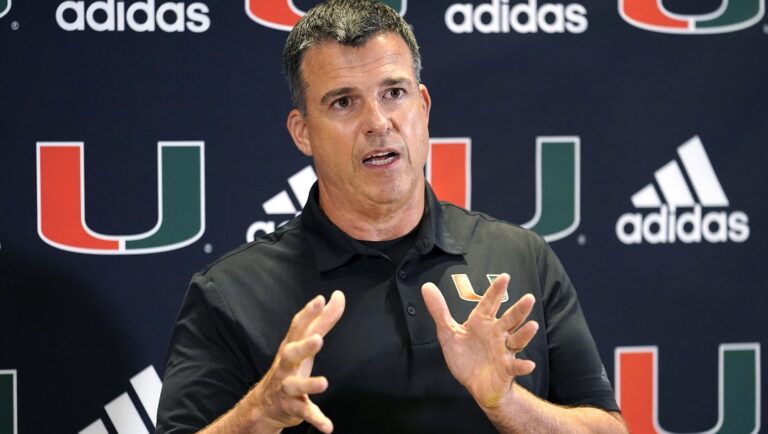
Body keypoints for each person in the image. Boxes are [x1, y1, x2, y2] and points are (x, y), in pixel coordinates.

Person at [156, 0, 628, 432]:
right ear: (302, 132)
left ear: (422, 107)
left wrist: (506, 402)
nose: (378, 123)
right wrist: (259, 412)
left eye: (393, 93)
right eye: (343, 102)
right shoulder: (231, 292)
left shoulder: (520, 257)